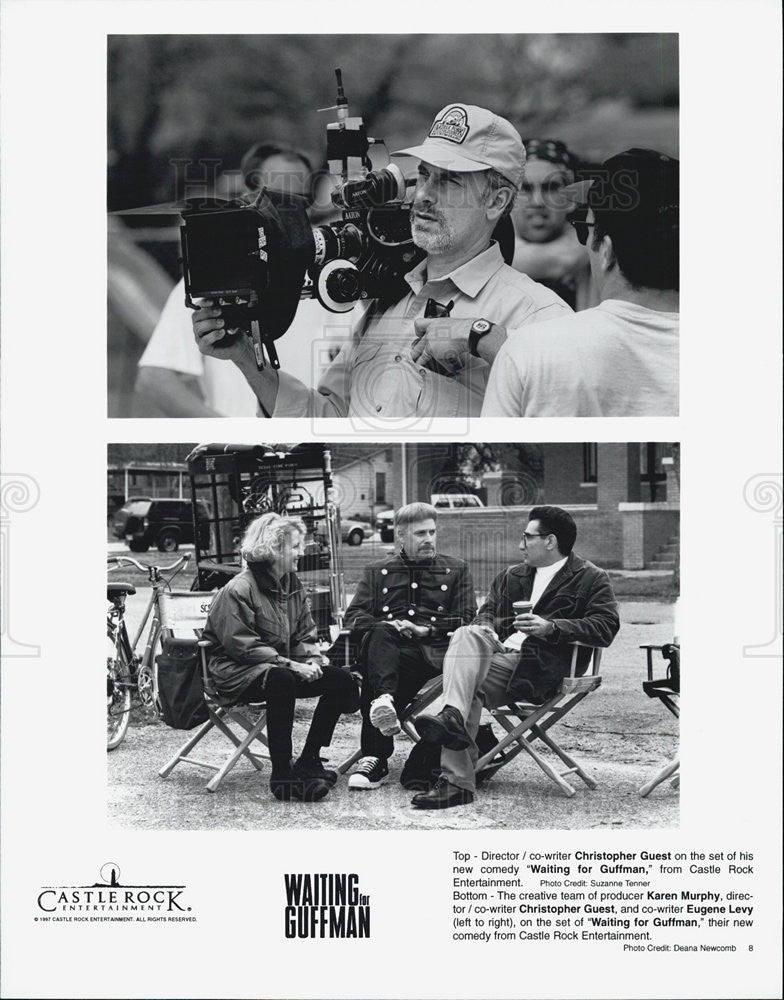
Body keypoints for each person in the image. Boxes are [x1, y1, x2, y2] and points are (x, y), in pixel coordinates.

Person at [192, 104, 571, 419]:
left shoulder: (539, 313)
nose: (424, 195)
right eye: (424, 176)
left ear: (496, 202)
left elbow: (571, 404)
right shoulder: (387, 303)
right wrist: (244, 356)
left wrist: (481, 338)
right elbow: (327, 420)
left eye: (450, 181)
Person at [410, 506, 620, 809]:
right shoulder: (512, 576)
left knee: (466, 677)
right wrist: (486, 629)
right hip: (498, 657)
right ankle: (453, 725)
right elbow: (485, 615)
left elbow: (606, 626)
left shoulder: (589, 578)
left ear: (550, 541)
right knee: (466, 635)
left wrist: (551, 627)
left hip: (543, 665)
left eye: (527, 538)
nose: (520, 545)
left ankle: (456, 778)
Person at [135, 143, 348, 416]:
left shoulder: (334, 278)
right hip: (244, 450)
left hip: (311, 437)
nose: (289, 212)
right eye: (277, 199)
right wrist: (229, 435)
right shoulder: (210, 275)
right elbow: (154, 378)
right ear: (248, 196)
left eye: (298, 200)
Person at [481, 148, 679, 417]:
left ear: (606, 251)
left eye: (585, 230)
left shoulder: (528, 351)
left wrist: (479, 334)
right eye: (526, 188)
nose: (538, 202)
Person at [201, 513, 357, 802]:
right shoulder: (238, 589)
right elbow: (241, 647)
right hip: (233, 672)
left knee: (339, 679)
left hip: (275, 669)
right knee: (282, 679)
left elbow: (304, 635)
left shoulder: (291, 584)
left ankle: (309, 760)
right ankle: (283, 777)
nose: (302, 551)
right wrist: (290, 664)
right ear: (274, 550)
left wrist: (312, 661)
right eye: (296, 546)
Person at [340, 502, 476, 790]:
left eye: (432, 532)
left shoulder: (455, 569)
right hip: (387, 650)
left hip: (430, 654)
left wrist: (425, 628)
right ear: (401, 536)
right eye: (420, 534)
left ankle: (375, 756)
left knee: (380, 668)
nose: (429, 539)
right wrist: (390, 625)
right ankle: (384, 706)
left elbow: (467, 617)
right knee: (381, 638)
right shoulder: (378, 571)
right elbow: (354, 616)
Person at [511, 138, 596, 311]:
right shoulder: (487, 249)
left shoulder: (599, 259)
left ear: (571, 199)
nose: (537, 201)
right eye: (525, 188)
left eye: (550, 188)